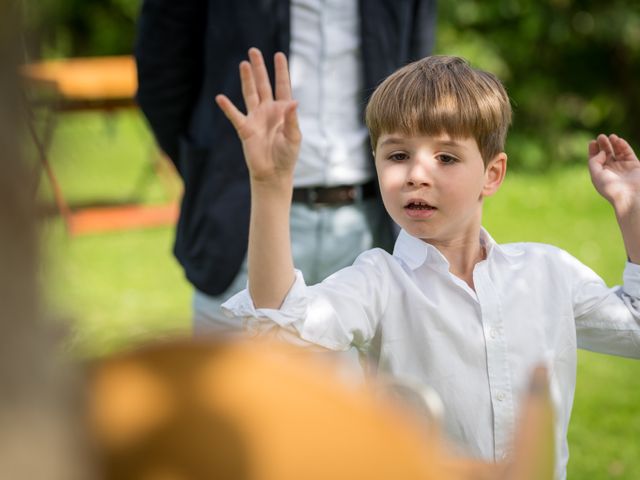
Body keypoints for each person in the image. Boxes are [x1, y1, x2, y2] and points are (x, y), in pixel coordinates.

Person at [217, 49, 640, 479]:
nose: (417, 174)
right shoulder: (379, 282)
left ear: (492, 174)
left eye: (446, 158)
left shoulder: (548, 273)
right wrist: (270, 185)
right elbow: (279, 329)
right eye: (398, 156)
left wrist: (631, 207)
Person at [134, 0, 437, 333]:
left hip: (371, 222)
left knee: (355, 384)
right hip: (243, 219)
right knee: (232, 382)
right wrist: (213, 169)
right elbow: (161, 75)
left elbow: (415, 82)